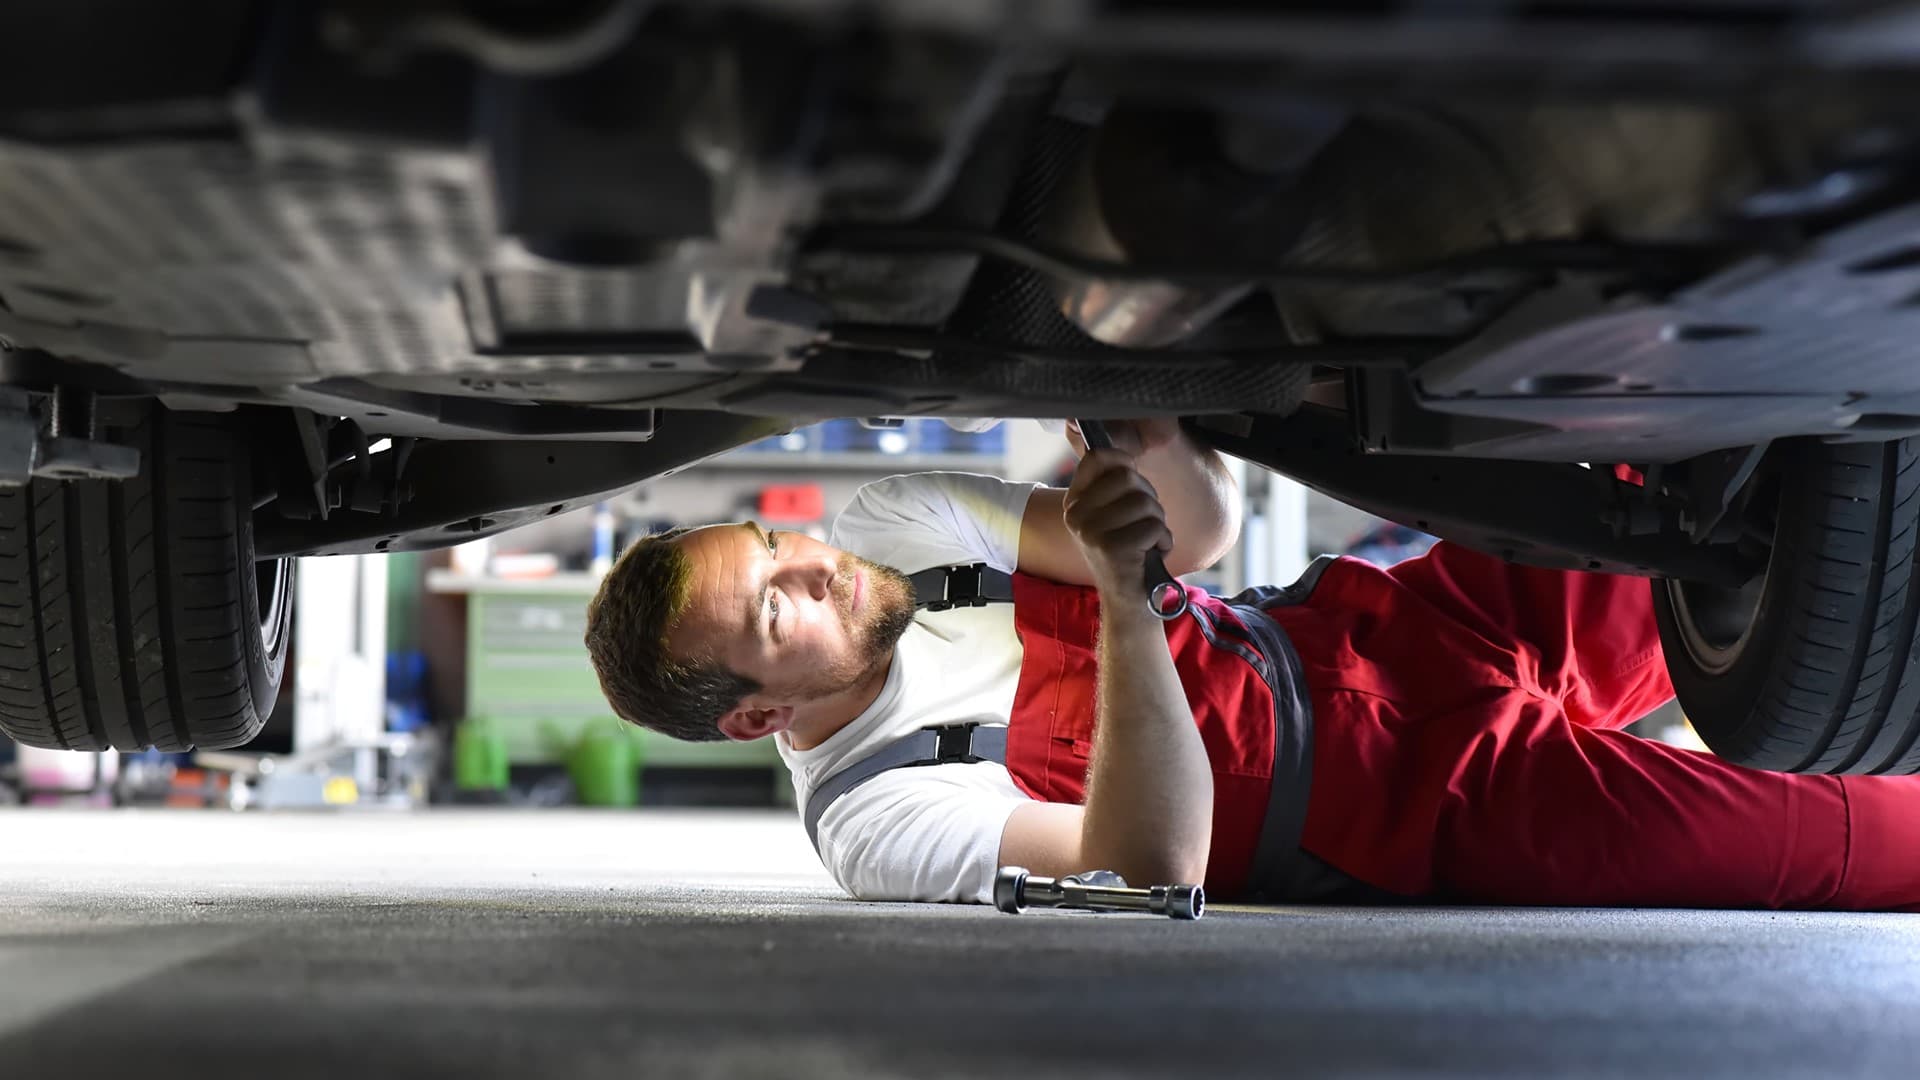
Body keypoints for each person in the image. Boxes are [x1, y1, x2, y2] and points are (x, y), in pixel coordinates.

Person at [585, 419, 1920, 910]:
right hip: (1413, 807)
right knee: (1847, 837)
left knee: (1734, 526)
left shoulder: (883, 527)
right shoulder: (878, 818)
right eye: (773, 609)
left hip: (1383, 628)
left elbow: (1195, 534)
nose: (810, 564)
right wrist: (1118, 601)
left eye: (772, 541)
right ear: (758, 710)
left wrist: (1146, 433)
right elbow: (1149, 859)